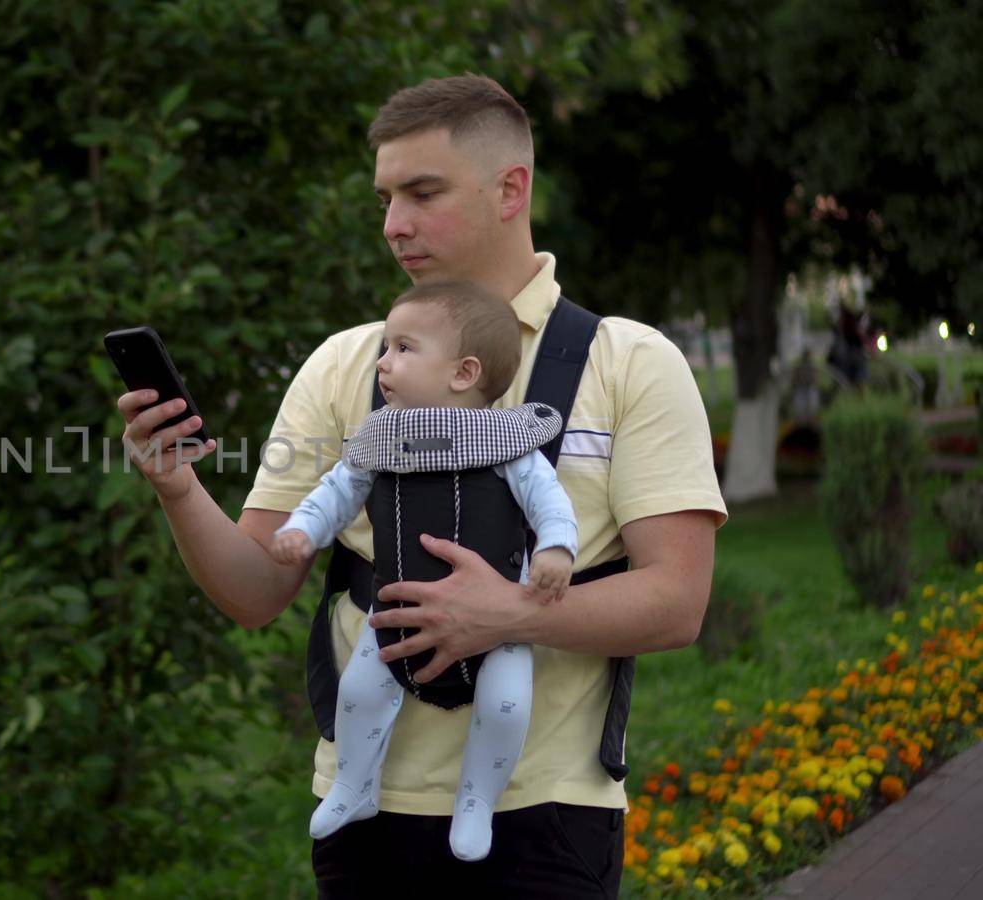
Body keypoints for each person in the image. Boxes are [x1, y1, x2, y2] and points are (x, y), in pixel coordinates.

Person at [114, 74, 726, 896]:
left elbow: (677, 601)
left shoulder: (629, 364)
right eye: (384, 198)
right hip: (363, 820)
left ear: (511, 188)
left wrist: (507, 613)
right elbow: (257, 591)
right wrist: (179, 490)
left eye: (422, 192)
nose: (394, 225)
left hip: (547, 819)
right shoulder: (346, 365)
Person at [269, 280, 579, 862]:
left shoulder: (509, 439)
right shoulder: (379, 438)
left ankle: (476, 799)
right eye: (385, 348)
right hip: (397, 608)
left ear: (463, 373)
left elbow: (550, 503)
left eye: (403, 348)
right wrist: (302, 531)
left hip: (501, 618)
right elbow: (334, 493)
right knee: (359, 691)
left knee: (507, 703)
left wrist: (557, 550)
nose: (383, 363)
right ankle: (355, 784)